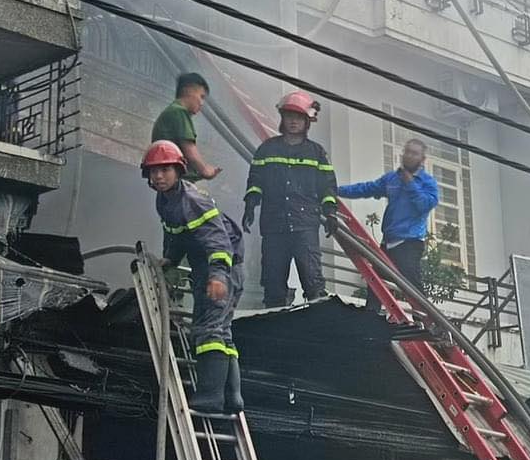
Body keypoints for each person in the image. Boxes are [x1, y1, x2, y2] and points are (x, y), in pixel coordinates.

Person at [141, 140, 244, 414]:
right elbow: (176, 234)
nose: (158, 176)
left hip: (221, 269)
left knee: (208, 331)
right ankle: (232, 397)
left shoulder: (193, 201)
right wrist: (171, 259)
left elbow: (219, 241)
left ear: (179, 170)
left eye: (165, 170)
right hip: (205, 270)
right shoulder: (164, 201)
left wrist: (219, 276)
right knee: (222, 332)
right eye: (153, 171)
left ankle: (211, 397)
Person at [242, 91, 338, 308]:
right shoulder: (266, 150)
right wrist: (250, 204)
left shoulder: (317, 153)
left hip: (305, 227)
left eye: (298, 117)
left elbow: (328, 186)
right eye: (289, 116)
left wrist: (331, 211)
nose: (293, 121)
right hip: (274, 227)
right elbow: (255, 180)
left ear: (307, 121)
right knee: (273, 287)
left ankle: (318, 331)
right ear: (282, 119)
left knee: (314, 285)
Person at [337, 139, 439, 313]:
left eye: (414, 153)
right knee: (376, 283)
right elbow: (366, 189)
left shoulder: (427, 183)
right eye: (407, 151)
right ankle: (371, 320)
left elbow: (425, 205)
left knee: (412, 285)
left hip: (409, 242)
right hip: (389, 241)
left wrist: (410, 184)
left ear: (422, 159)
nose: (409, 156)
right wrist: (336, 190)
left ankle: (428, 322)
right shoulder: (392, 178)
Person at [152, 72, 220, 181]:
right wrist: (205, 170)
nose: (202, 103)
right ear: (188, 90)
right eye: (201, 97)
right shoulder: (178, 112)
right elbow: (189, 149)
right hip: (177, 183)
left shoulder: (172, 111)